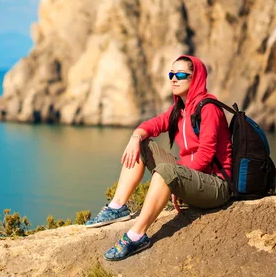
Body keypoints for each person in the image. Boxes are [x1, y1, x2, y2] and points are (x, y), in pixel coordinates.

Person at [85, 55, 233, 261]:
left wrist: (178, 178)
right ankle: (117, 207)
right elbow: (153, 125)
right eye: (171, 74)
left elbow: (206, 155)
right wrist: (135, 137)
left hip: (216, 185)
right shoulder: (180, 109)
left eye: (181, 74)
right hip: (192, 176)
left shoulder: (209, 108)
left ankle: (137, 236)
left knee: (166, 171)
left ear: (196, 77)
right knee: (143, 145)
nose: (173, 79)